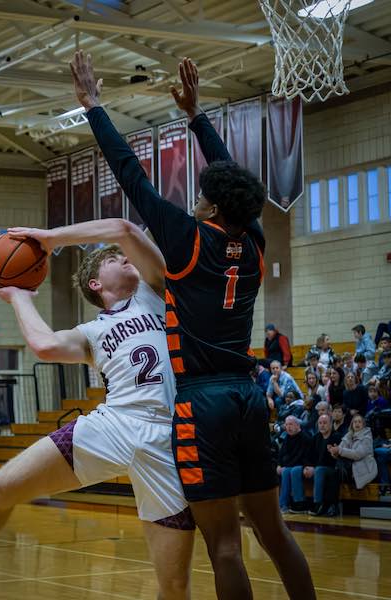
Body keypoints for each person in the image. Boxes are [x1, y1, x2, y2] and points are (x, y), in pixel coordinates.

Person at [70, 52, 316, 600]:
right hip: (250, 398)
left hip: (202, 402)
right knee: (274, 532)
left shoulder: (188, 241)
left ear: (211, 205)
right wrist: (197, 115)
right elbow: (235, 179)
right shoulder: (253, 241)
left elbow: (130, 175)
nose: (196, 193)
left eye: (203, 191)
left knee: (225, 547)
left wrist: (94, 107)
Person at [0, 219, 195, 597]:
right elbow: (44, 345)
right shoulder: (91, 332)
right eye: (113, 258)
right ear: (95, 283)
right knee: (1, 486)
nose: (124, 256)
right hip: (115, 423)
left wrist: (50, 239)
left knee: (174, 586)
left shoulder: (155, 292)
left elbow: (126, 231)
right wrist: (19, 297)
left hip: (166, 437)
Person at [290, 414, 341, 517]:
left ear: (331, 424)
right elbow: (307, 455)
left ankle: (318, 503)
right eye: (320, 423)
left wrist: (315, 468)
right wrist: (307, 467)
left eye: (325, 423)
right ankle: (300, 503)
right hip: (317, 468)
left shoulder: (336, 437)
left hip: (331, 469)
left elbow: (332, 460)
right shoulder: (316, 438)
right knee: (295, 470)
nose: (322, 425)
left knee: (319, 470)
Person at [328, 414, 377, 490]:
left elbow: (357, 454)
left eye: (359, 422)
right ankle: (334, 500)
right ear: (352, 424)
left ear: (363, 425)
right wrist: (334, 451)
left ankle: (334, 500)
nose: (357, 424)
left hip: (364, 469)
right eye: (355, 422)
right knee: (332, 472)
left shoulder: (367, 437)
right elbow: (340, 449)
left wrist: (339, 450)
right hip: (351, 467)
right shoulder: (348, 436)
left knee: (335, 474)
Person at [276, 417, 311, 513]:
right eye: (286, 425)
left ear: (297, 425)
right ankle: (283, 504)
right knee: (286, 471)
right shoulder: (287, 437)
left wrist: (286, 466)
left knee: (292, 470)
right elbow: (281, 454)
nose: (288, 427)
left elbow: (301, 456)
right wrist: (279, 465)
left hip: (303, 465)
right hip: (291, 465)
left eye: (290, 424)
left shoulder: (305, 437)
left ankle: (300, 503)